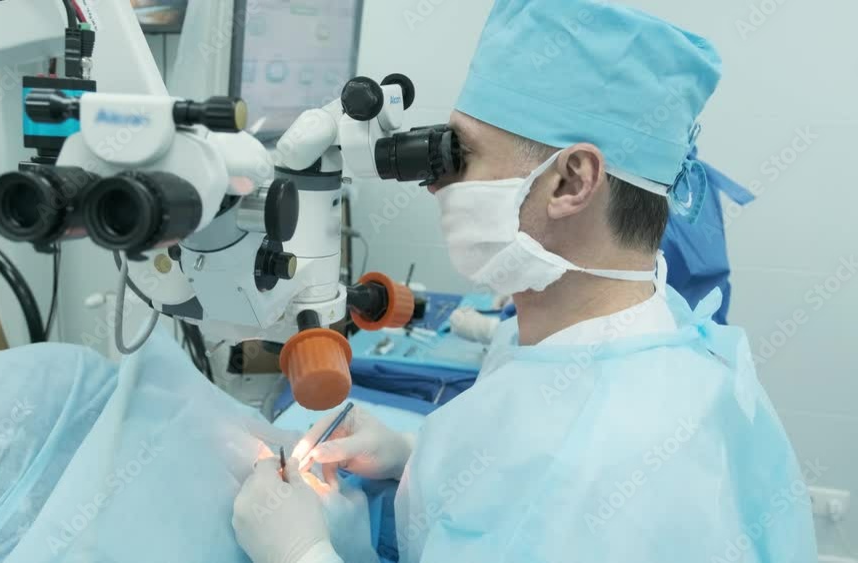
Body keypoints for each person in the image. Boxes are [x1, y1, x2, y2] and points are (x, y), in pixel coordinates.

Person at [231, 1, 818, 562]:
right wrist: (416, 461)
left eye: (462, 155)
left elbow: (556, 496)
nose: (435, 184)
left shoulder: (597, 467)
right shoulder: (645, 329)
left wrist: (302, 554)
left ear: (569, 182)